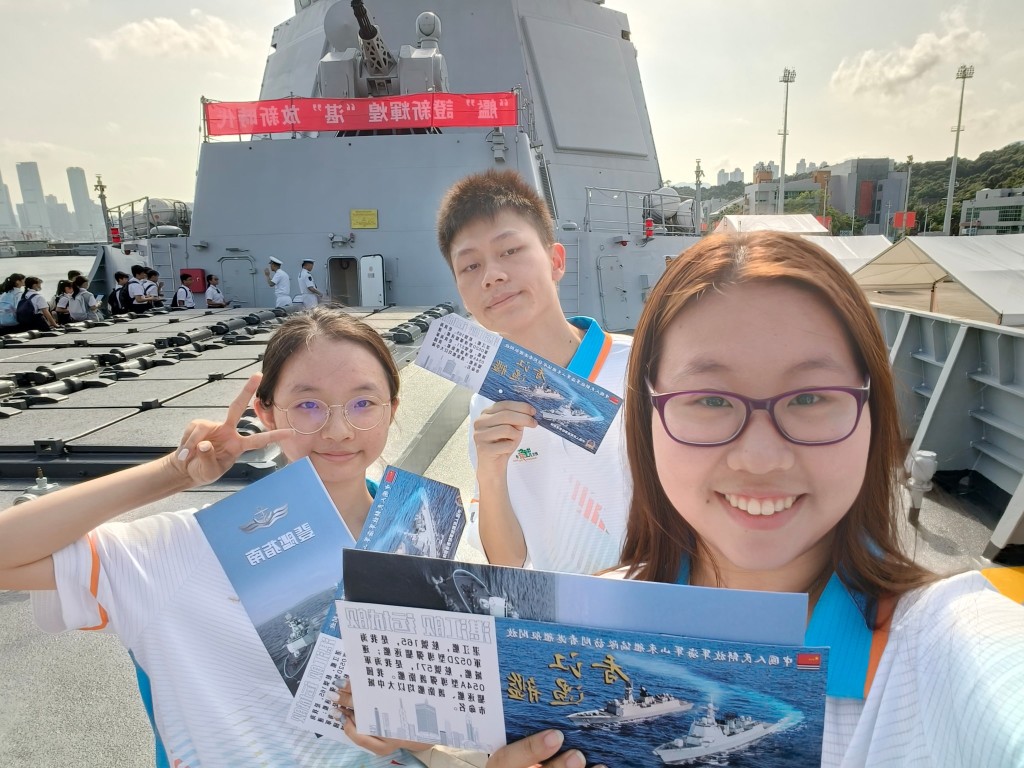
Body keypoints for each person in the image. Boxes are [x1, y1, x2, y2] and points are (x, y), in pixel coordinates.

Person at [0, 306, 571, 768]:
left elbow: (469, 726)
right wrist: (173, 473)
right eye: (308, 405)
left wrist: (418, 734)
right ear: (265, 411)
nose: (338, 430)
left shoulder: (439, 540)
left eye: (363, 403)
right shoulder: (184, 548)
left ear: (393, 409)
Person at [615, 231, 1024, 767]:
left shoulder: (944, 640)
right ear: (648, 416)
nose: (760, 459)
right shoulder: (576, 623)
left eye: (809, 397)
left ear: (871, 412)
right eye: (710, 399)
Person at [436, 169, 632, 574]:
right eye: (470, 266)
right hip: (553, 613)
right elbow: (508, 559)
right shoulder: (485, 403)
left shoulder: (640, 366)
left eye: (510, 251)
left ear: (556, 261)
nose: (492, 275)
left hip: (651, 604)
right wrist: (490, 471)